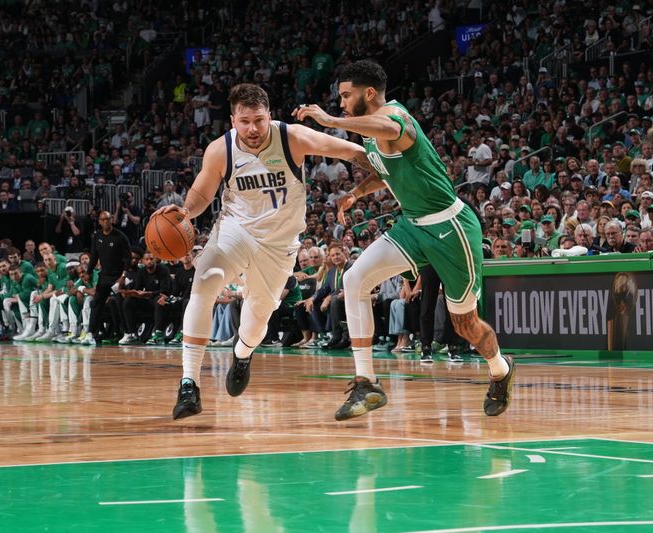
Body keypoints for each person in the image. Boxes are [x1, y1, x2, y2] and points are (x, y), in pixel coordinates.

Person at [294, 60, 514, 420]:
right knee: (354, 278)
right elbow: (385, 171)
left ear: (369, 94)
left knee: (465, 324)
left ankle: (501, 369)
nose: (342, 103)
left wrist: (331, 122)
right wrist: (356, 193)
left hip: (450, 228)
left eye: (346, 96)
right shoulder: (370, 131)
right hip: (412, 226)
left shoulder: (396, 117)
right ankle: (366, 383)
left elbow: (389, 127)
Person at [156, 83, 378, 420]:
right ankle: (189, 384)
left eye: (259, 120)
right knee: (206, 280)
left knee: (258, 316)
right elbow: (201, 195)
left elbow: (349, 151)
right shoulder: (221, 150)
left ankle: (242, 354)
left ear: (269, 116)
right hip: (236, 231)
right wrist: (185, 212)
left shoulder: (292, 137)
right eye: (244, 121)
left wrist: (387, 166)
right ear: (233, 120)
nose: (253, 129)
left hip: (279, 245)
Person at [82, 211, 131, 345]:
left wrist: (123, 276)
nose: (105, 222)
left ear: (112, 220)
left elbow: (128, 257)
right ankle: (91, 333)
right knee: (96, 303)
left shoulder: (120, 236)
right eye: (102, 219)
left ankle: (127, 333)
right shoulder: (97, 236)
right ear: (99, 221)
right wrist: (89, 271)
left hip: (118, 276)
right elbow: (94, 256)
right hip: (104, 275)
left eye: (108, 219)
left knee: (120, 303)